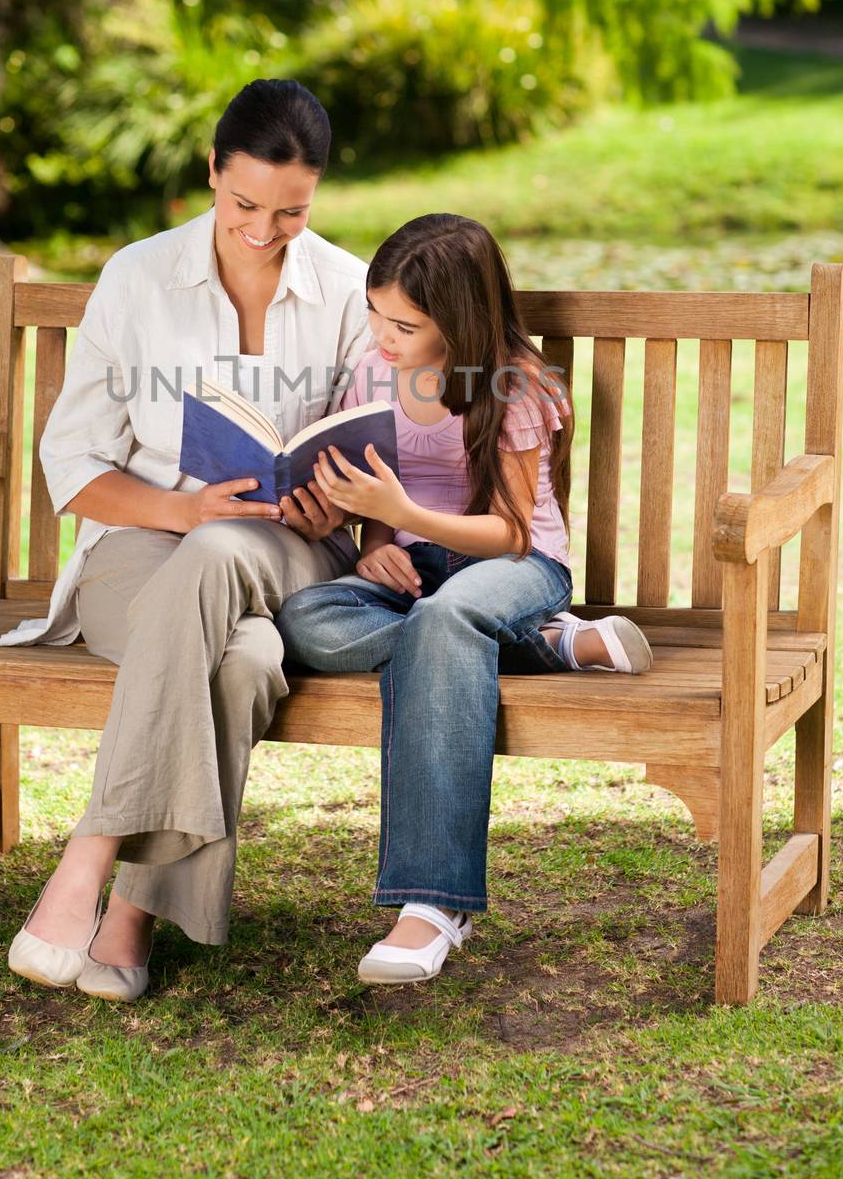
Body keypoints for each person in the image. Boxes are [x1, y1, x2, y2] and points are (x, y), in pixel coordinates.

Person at [0, 79, 375, 1002]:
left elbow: (371, 448)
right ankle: (130, 916)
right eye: (244, 203)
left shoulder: (346, 287)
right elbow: (73, 465)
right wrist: (186, 511)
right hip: (143, 547)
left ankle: (85, 862)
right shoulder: (139, 277)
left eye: (291, 212)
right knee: (243, 661)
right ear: (211, 171)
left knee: (225, 567)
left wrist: (333, 500)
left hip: (289, 551)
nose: (263, 228)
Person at [274, 213, 652, 987]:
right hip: (415, 567)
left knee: (447, 620)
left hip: (516, 564)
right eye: (374, 315)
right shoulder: (374, 369)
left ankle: (433, 903)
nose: (382, 336)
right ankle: (550, 647)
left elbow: (512, 530)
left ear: (459, 320)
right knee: (306, 619)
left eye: (403, 325)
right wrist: (377, 540)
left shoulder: (512, 385)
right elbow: (372, 473)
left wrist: (407, 517)